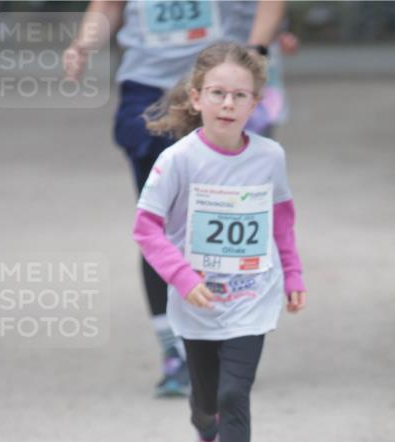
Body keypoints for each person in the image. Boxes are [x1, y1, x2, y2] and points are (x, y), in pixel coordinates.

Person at [63, 0, 286, 396]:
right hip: (148, 88)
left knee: (226, 217)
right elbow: (109, 6)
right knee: (161, 225)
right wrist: (83, 44)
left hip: (224, 91)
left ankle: (228, 337)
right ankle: (174, 352)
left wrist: (257, 48)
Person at [132, 41, 305, 442]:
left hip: (252, 298)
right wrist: (184, 279)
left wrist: (293, 275)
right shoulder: (178, 160)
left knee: (234, 396)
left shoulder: (270, 157)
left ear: (257, 103)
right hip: (199, 303)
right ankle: (205, 433)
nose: (228, 104)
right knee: (206, 403)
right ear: (196, 98)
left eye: (240, 95)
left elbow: (282, 221)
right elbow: (146, 229)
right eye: (217, 93)